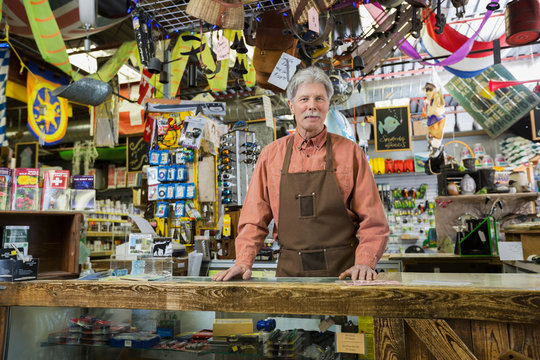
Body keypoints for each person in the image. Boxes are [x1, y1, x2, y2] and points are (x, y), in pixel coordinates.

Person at [213, 66, 389, 281]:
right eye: (304, 99)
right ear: (291, 106)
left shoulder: (350, 152)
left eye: (319, 99)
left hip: (345, 275)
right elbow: (253, 219)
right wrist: (243, 261)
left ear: (327, 105)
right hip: (290, 276)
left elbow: (373, 221)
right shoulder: (270, 156)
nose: (312, 106)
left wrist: (365, 262)